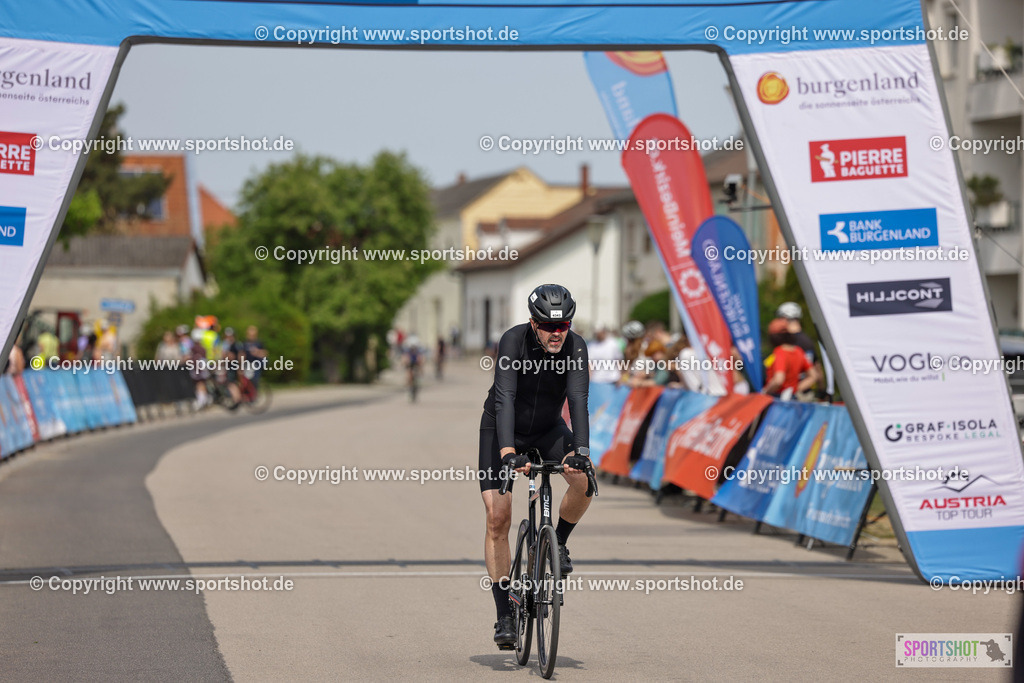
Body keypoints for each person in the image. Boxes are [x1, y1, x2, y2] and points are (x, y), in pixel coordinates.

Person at [480, 284, 592, 649]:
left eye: (564, 326)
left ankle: (557, 542)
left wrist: (581, 451)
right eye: (548, 326)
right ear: (533, 323)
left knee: (584, 481)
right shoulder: (513, 341)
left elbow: (577, 399)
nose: (557, 333)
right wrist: (509, 451)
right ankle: (504, 615)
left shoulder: (576, 346)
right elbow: (505, 398)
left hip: (547, 430)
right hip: (501, 428)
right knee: (498, 517)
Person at [763, 318, 820, 399]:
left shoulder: (780, 352)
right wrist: (795, 389)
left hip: (778, 398)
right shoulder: (798, 351)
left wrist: (765, 391)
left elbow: (778, 380)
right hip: (792, 397)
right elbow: (814, 376)